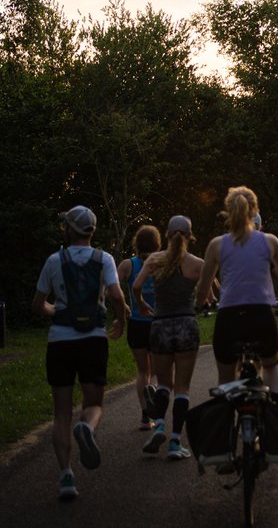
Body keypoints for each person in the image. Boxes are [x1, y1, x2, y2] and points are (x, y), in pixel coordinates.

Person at [32, 205, 126, 501]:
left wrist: (55, 310)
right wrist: (121, 321)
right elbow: (116, 295)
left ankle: (66, 477)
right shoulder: (104, 259)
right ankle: (86, 426)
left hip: (60, 340)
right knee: (94, 403)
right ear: (92, 231)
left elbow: (37, 304)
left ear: (69, 229)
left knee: (61, 413)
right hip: (93, 340)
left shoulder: (53, 260)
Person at [197, 186, 278, 389]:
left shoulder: (216, 245)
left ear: (229, 211)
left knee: (226, 378)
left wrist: (199, 303)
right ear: (255, 211)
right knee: (272, 365)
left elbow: (203, 286)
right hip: (260, 315)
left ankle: (227, 418)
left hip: (228, 318)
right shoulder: (270, 241)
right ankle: (274, 412)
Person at [133, 216, 204, 460]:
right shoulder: (196, 263)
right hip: (186, 324)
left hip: (160, 325)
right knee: (182, 388)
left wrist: (141, 304)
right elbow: (212, 290)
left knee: (164, 384)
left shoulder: (154, 259)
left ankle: (160, 426)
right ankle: (175, 443)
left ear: (167, 234)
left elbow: (135, 286)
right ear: (189, 236)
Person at [117, 224, 161, 430]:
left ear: (137, 242)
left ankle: (145, 417)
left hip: (136, 323)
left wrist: (124, 305)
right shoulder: (162, 263)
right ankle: (158, 414)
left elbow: (111, 287)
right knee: (158, 371)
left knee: (143, 371)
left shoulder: (128, 265)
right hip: (158, 323)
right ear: (157, 243)